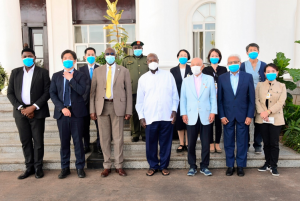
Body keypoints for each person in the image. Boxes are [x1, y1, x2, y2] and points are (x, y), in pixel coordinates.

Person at [7, 48, 50, 179]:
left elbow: (47, 92)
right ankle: (29, 167)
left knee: (38, 141)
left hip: (37, 111)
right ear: (22, 57)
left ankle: (38, 167)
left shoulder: (42, 72)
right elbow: (10, 93)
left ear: (35, 57)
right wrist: (21, 108)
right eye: (25, 56)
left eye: (30, 56)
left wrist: (34, 107)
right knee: (25, 141)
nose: (27, 58)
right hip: (20, 112)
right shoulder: (15, 73)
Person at [90, 47, 132, 177]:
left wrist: (128, 110)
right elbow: (92, 92)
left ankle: (119, 165)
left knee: (119, 138)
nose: (109, 56)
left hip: (117, 106)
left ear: (115, 56)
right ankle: (107, 165)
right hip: (102, 107)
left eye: (112, 54)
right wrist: (92, 110)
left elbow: (128, 92)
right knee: (104, 138)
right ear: (104, 55)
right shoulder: (98, 71)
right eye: (107, 54)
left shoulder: (124, 70)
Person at [136, 53, 179, 176]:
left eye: (155, 60)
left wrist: (174, 110)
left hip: (167, 116)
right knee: (151, 143)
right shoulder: (143, 79)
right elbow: (139, 100)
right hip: (150, 117)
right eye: (150, 60)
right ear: (147, 62)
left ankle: (164, 166)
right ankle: (153, 166)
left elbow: (175, 95)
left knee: (166, 143)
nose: (152, 61)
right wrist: (141, 116)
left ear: (158, 61)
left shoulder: (168, 75)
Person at [50, 50, 88, 179]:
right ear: (61, 61)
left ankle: (80, 167)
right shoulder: (56, 76)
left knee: (78, 142)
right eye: (65, 58)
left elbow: (82, 90)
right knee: (64, 142)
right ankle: (64, 168)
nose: (67, 60)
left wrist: (71, 79)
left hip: (77, 113)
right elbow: (53, 94)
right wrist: (61, 108)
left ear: (75, 61)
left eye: (70, 58)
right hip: (62, 114)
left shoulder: (81, 75)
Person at [218, 54, 255, 177]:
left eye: (235, 61)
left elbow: (251, 99)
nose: (233, 64)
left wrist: (250, 115)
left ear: (240, 63)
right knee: (228, 141)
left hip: (243, 115)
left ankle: (240, 166)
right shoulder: (222, 78)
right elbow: (220, 100)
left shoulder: (247, 77)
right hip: (227, 116)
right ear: (227, 65)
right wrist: (222, 116)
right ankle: (230, 166)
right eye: (230, 62)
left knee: (242, 141)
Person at [180, 57, 217, 176]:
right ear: (190, 67)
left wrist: (213, 112)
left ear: (202, 67)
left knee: (206, 142)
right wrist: (183, 113)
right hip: (191, 115)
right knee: (191, 143)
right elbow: (183, 98)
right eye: (193, 65)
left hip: (206, 115)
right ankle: (192, 166)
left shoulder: (209, 79)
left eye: (198, 64)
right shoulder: (186, 81)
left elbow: (212, 97)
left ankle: (204, 166)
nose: (195, 66)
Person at [256, 63, 286, 176]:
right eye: (268, 71)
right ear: (264, 73)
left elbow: (280, 102)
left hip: (276, 118)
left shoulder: (282, 86)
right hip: (262, 118)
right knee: (266, 143)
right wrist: (262, 113)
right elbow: (256, 100)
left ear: (277, 73)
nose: (270, 73)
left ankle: (274, 165)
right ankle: (267, 163)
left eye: (273, 71)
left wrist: (268, 112)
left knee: (274, 143)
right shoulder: (259, 85)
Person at [240, 43, 267, 154]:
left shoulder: (263, 65)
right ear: (247, 53)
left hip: (260, 96)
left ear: (258, 52)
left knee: (259, 122)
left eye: (255, 50)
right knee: (246, 121)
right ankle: (245, 144)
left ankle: (257, 144)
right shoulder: (243, 65)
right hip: (246, 96)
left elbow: (266, 80)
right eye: (250, 50)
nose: (253, 52)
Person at [122, 41, 148, 142]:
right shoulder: (126, 60)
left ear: (142, 48)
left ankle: (144, 133)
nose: (137, 49)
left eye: (139, 47)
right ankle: (135, 133)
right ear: (132, 49)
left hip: (146, 91)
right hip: (132, 90)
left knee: (145, 111)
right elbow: (122, 75)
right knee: (134, 113)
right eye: (135, 47)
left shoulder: (147, 59)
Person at [202, 48, 227, 153]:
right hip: (208, 99)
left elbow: (226, 83)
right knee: (209, 122)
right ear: (209, 58)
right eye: (212, 55)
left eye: (216, 55)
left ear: (220, 57)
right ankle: (210, 143)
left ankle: (217, 143)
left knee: (218, 122)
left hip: (220, 99)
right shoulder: (206, 70)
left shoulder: (224, 69)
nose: (214, 57)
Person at [79, 47, 102, 154]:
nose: (90, 56)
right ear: (85, 57)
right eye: (88, 55)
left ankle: (100, 145)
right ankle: (86, 145)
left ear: (95, 56)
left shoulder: (100, 69)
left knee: (100, 125)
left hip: (98, 102)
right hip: (84, 102)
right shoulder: (81, 70)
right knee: (84, 126)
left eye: (92, 54)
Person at [170, 49, 192, 153]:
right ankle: (181, 143)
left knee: (188, 119)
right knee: (179, 120)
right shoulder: (173, 70)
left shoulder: (191, 68)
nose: (183, 56)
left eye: (185, 55)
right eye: (181, 55)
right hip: (177, 98)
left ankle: (188, 143)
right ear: (178, 57)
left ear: (188, 57)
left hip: (190, 98)